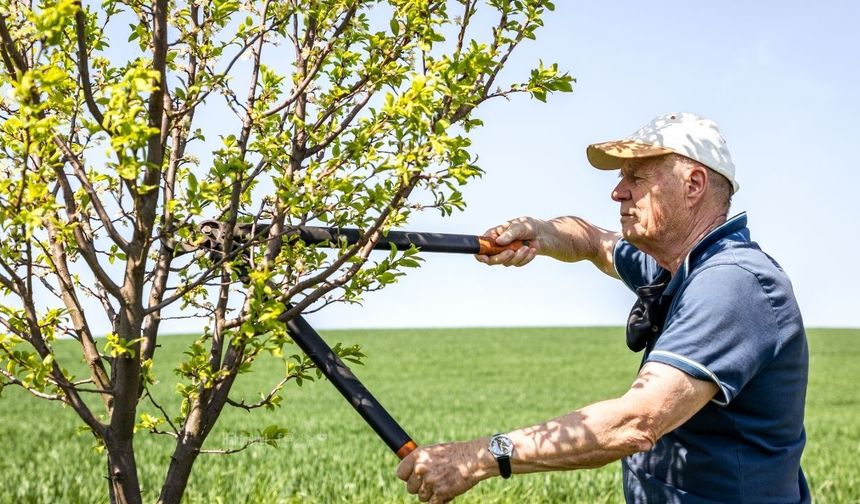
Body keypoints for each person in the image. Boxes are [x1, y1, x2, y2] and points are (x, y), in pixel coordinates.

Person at [396, 112, 810, 503]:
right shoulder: (672, 265)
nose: (618, 191)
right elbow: (594, 241)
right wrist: (539, 232)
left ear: (694, 184)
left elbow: (637, 421)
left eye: (637, 176)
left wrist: (480, 456)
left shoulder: (732, 282)